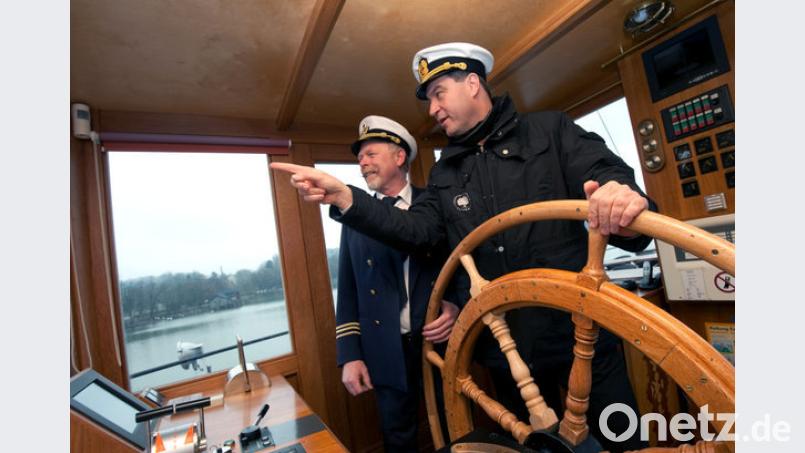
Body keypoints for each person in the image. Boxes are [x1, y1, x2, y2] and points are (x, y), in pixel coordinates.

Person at [273, 43, 654, 452]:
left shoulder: (550, 130)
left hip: (580, 334)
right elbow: (420, 233)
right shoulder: (444, 172)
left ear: (472, 84)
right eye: (429, 100)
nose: (433, 109)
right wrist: (348, 198)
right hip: (506, 347)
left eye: (438, 94)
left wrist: (619, 195)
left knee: (623, 440)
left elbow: (607, 175)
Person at [334, 115, 458, 452]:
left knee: (454, 428)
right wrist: (350, 356)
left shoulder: (433, 206)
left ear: (400, 157)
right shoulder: (355, 217)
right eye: (360, 157)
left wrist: (456, 306)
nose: (362, 163)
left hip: (439, 342)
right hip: (385, 347)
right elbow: (347, 291)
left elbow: (460, 264)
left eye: (371, 154)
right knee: (397, 438)